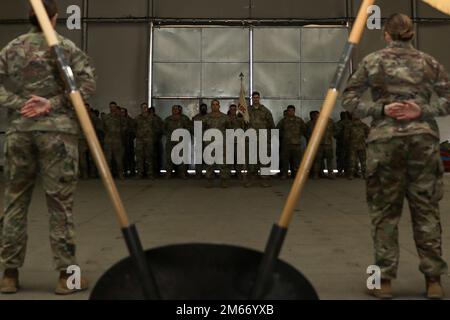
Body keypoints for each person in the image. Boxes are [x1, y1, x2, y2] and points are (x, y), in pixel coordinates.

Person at [342, 13, 450, 299]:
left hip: (385, 142)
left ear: (386, 34)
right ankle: (433, 282)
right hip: (422, 143)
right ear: (412, 33)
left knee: (384, 213)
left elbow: (349, 99)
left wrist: (381, 110)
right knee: (426, 210)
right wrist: (421, 110)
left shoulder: (373, 62)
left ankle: (384, 281)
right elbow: (448, 99)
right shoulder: (430, 63)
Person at [0, 0, 96, 294]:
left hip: (19, 132)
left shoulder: (12, 48)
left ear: (29, 18)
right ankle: (67, 276)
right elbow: (87, 84)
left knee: (15, 202)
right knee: (60, 205)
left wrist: (19, 104)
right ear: (53, 19)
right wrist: (51, 103)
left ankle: (9, 275)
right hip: (57, 135)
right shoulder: (64, 47)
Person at [242, 91, 275, 188]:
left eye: (257, 97)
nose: (256, 99)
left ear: (259, 98)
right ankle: (251, 180)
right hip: (251, 140)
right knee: (251, 161)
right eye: (254, 97)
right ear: (252, 99)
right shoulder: (247, 111)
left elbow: (271, 125)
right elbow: (243, 125)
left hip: (263, 139)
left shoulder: (266, 111)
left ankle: (265, 180)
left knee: (264, 160)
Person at [204, 100, 232, 188]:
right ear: (211, 106)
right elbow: (202, 129)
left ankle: (224, 181)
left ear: (219, 106)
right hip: (209, 144)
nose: (215, 106)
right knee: (209, 162)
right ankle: (209, 181)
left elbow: (229, 129)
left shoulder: (225, 117)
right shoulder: (206, 117)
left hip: (221, 143)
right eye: (213, 105)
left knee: (223, 163)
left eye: (216, 105)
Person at [276, 105, 307, 179]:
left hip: (296, 144)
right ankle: (284, 174)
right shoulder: (283, 121)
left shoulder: (299, 120)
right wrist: (283, 136)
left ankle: (296, 174)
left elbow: (304, 129)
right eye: (289, 111)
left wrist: (298, 136)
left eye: (292, 110)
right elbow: (277, 130)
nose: (291, 112)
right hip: (286, 145)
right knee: (285, 160)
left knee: (296, 161)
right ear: (287, 111)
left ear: (294, 111)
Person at [164, 105, 192, 179]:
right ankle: (168, 173)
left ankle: (182, 173)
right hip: (170, 142)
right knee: (169, 158)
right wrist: (169, 134)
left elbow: (188, 128)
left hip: (181, 142)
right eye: (173, 109)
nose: (175, 110)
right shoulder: (168, 119)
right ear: (172, 110)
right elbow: (163, 129)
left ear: (179, 110)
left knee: (181, 159)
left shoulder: (184, 119)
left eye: (176, 109)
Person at [134, 103, 160, 179]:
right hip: (140, 141)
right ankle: (139, 173)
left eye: (145, 107)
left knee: (149, 157)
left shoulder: (152, 118)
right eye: (142, 107)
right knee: (139, 158)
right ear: (141, 108)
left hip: (149, 141)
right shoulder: (137, 118)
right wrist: (137, 134)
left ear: (147, 109)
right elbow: (133, 127)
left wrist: (153, 136)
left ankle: (150, 174)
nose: (144, 109)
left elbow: (157, 128)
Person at [102, 102, 126, 179]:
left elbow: (125, 127)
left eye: (114, 107)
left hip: (117, 141)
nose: (112, 108)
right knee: (108, 159)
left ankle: (120, 174)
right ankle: (108, 175)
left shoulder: (120, 117)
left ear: (116, 108)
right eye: (111, 107)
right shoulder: (106, 117)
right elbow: (103, 128)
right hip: (108, 141)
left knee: (118, 159)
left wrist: (119, 132)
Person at [228, 104, 246, 179]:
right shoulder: (226, 118)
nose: (233, 111)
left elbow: (243, 129)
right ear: (229, 110)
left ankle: (238, 173)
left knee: (238, 159)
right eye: (231, 109)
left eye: (234, 109)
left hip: (238, 142)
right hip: (228, 142)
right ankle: (227, 174)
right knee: (228, 159)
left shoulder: (240, 119)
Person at [192, 103, 208, 178]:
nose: (203, 109)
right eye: (202, 108)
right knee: (199, 157)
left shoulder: (209, 117)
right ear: (200, 109)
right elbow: (191, 127)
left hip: (208, 141)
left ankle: (210, 173)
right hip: (199, 140)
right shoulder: (196, 118)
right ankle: (198, 173)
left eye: (204, 108)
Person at [334, 111, 352, 177]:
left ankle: (342, 171)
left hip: (345, 144)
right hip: (344, 144)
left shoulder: (339, 123)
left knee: (344, 157)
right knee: (345, 157)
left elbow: (334, 134)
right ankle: (344, 171)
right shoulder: (350, 123)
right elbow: (335, 134)